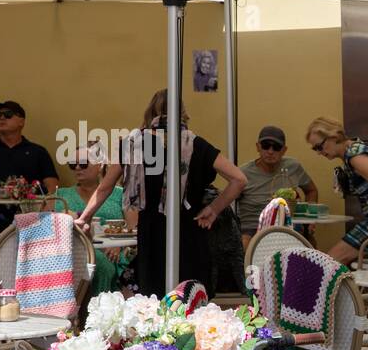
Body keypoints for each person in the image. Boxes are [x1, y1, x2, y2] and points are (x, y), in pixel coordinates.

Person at [74, 89, 245, 298]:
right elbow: (239, 179)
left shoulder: (132, 145)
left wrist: (85, 217)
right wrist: (214, 209)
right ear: (182, 112)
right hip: (190, 234)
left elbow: (105, 187)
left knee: (152, 302)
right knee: (190, 301)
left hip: (151, 236)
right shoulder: (196, 144)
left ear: (150, 111)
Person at [306, 117, 368, 265]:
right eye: (315, 149)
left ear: (334, 136)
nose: (319, 152)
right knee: (331, 262)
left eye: (319, 147)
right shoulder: (353, 150)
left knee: (327, 263)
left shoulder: (355, 156)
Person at [0, 100, 59, 233]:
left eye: (8, 114)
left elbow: (52, 186)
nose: (2, 118)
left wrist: (45, 207)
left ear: (21, 121)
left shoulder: (38, 152)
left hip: (29, 220)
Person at [59, 143, 137, 295]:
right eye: (72, 164)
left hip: (112, 253)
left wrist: (119, 245)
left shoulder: (120, 194)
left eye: (83, 163)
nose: (77, 168)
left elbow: (134, 228)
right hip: (71, 251)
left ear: (100, 165)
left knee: (101, 265)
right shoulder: (61, 195)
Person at [238, 125, 318, 248]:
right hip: (253, 227)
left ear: (284, 150)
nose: (270, 151)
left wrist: (310, 217)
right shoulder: (243, 173)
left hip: (287, 226)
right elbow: (229, 200)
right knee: (245, 245)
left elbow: (311, 190)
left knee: (309, 248)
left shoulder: (293, 167)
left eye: (276, 147)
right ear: (258, 147)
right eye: (266, 146)